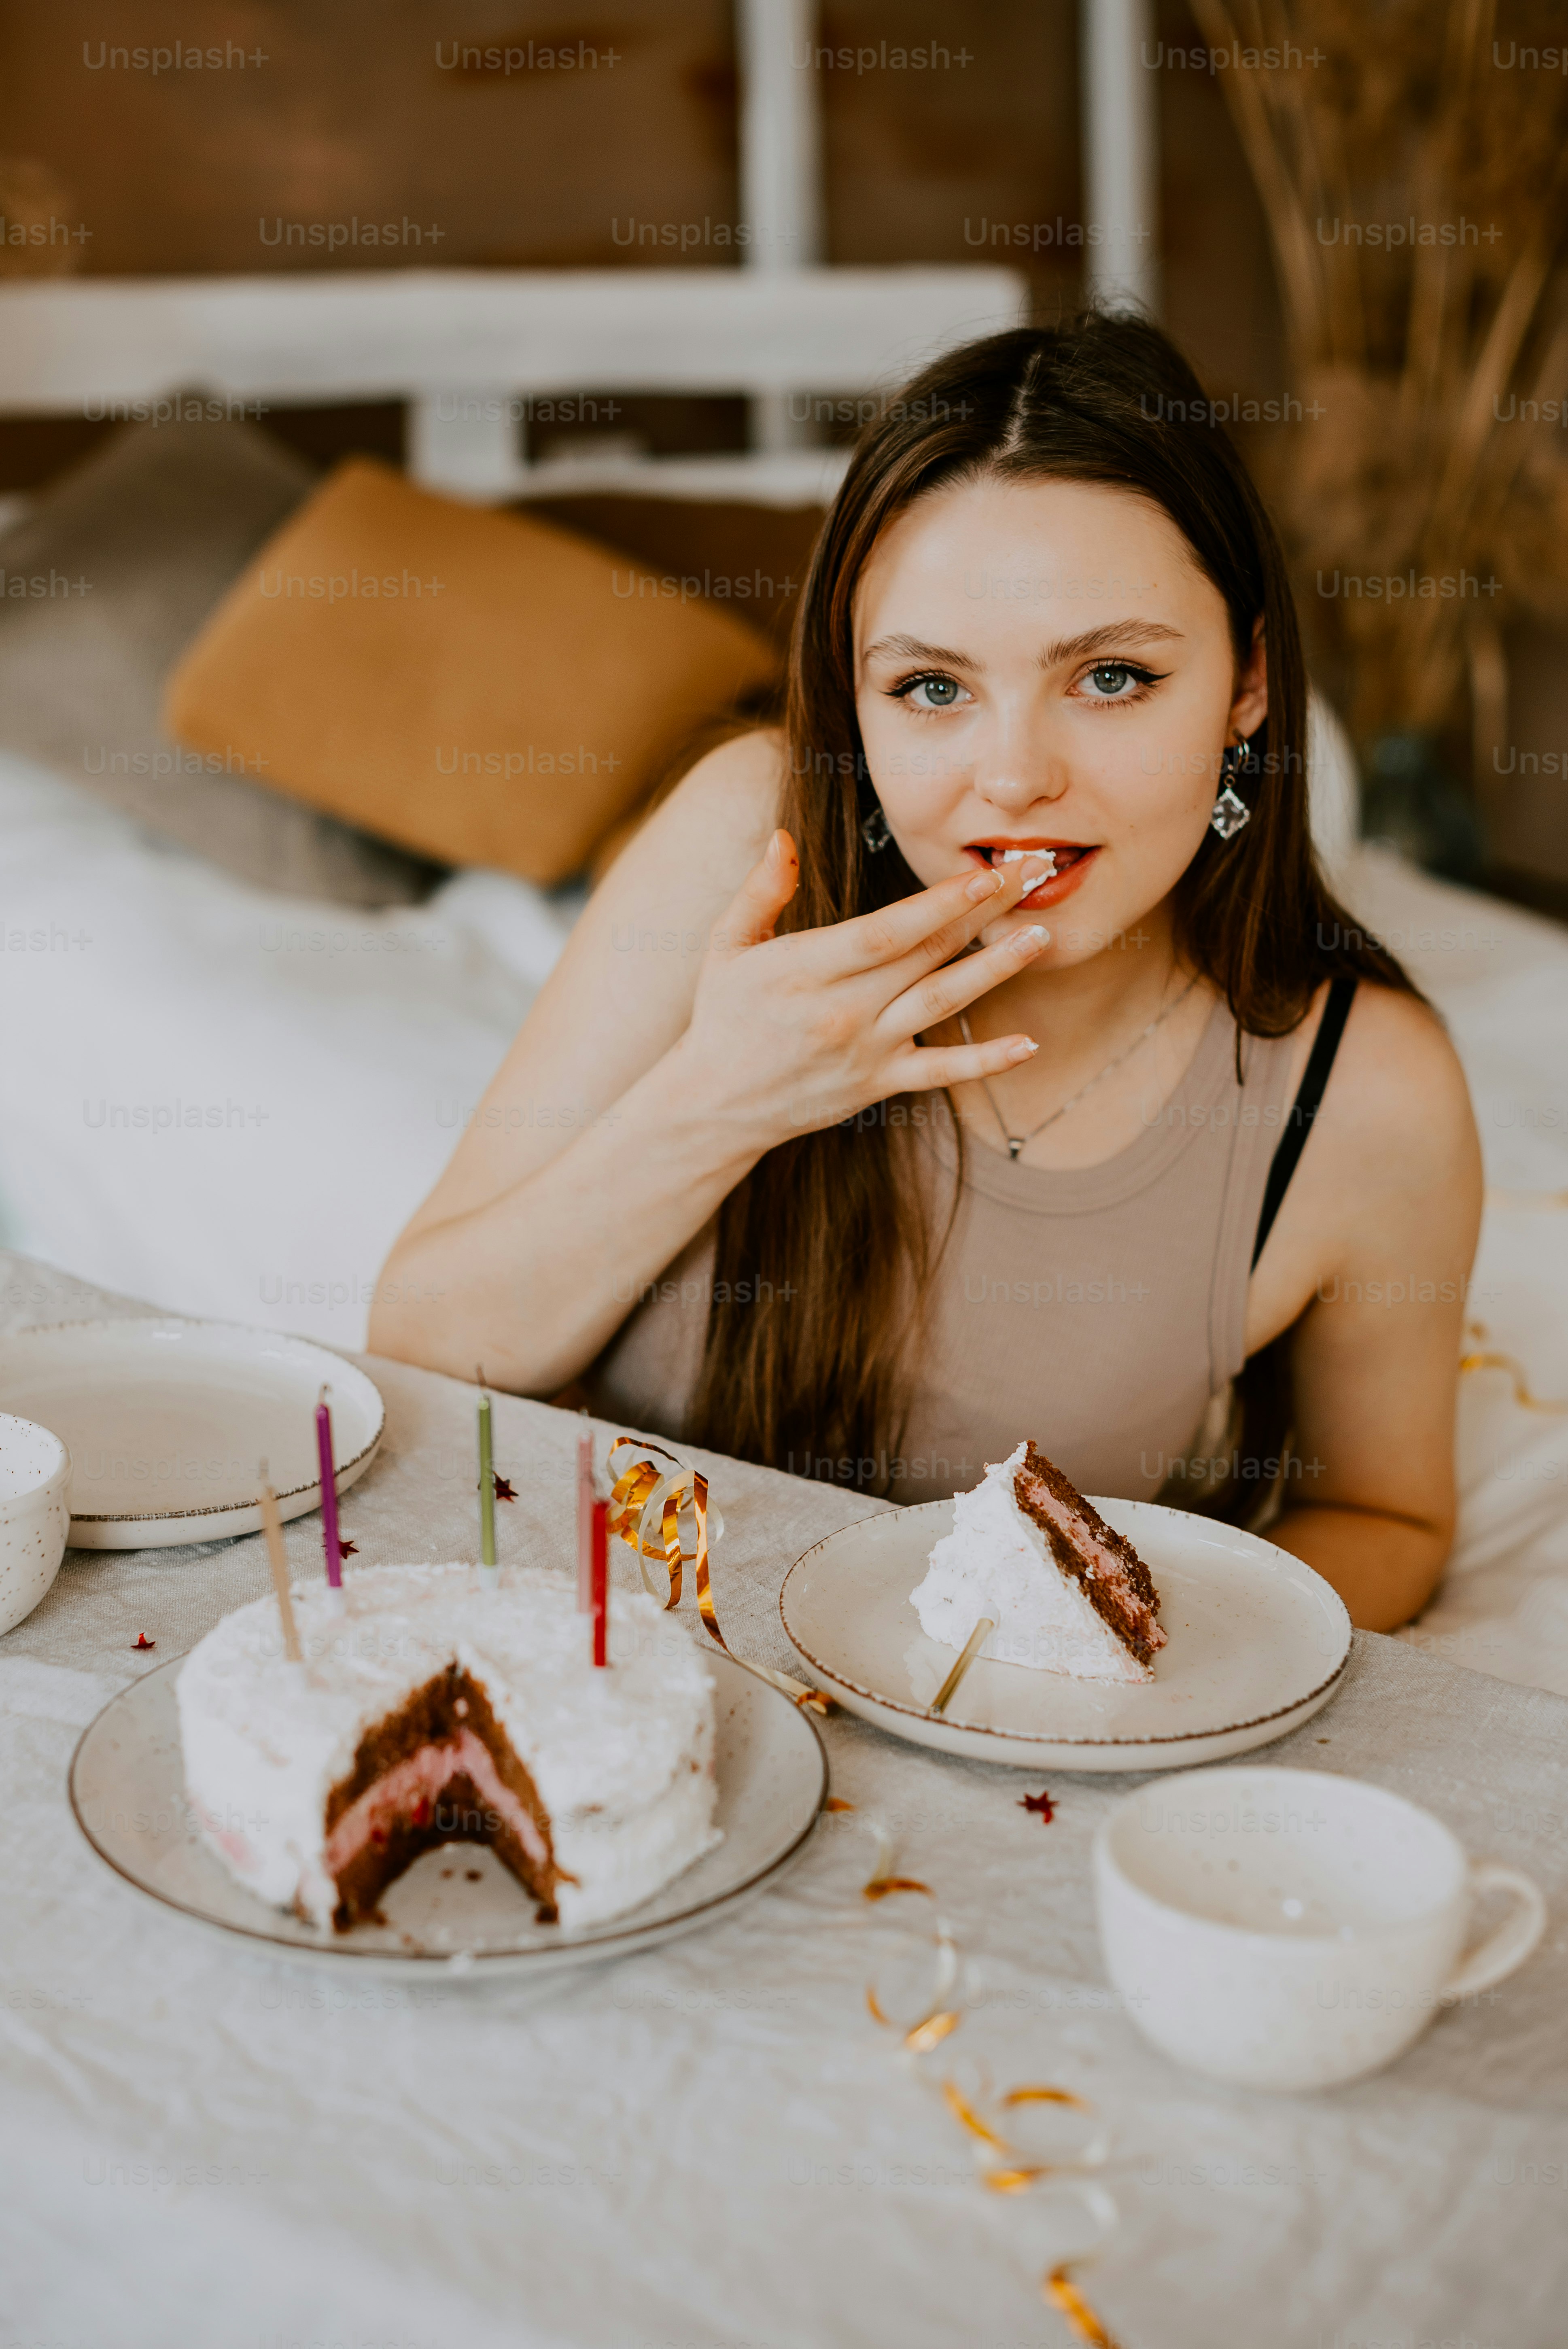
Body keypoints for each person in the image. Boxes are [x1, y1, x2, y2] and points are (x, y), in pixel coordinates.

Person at [371, 315, 1481, 1634]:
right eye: (932, 690)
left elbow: (1385, 1516)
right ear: (853, 697)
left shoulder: (1366, 1091)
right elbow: (423, 1353)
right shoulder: (745, 838)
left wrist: (1123, 1640)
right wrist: (722, 1098)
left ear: (1246, 681)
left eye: (1111, 677)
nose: (1013, 778)